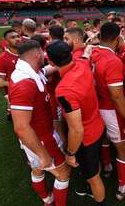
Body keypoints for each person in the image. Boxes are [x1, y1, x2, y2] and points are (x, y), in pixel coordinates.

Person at [9, 40, 71, 206]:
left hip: (37, 136)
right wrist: (43, 154)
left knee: (37, 168)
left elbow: (45, 69)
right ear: (37, 55)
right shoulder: (25, 84)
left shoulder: (30, 72)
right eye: (42, 54)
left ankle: (47, 200)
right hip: (42, 139)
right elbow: (21, 127)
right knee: (63, 173)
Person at [47, 41, 106, 206]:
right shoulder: (81, 62)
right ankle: (92, 186)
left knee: (93, 177)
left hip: (86, 138)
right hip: (98, 127)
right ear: (71, 55)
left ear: (51, 62)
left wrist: (70, 154)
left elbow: (76, 130)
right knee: (94, 167)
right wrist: (90, 43)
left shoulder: (64, 90)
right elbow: (87, 52)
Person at [91, 22, 125, 200]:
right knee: (123, 150)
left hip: (96, 107)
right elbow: (117, 96)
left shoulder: (92, 52)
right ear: (117, 38)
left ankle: (107, 167)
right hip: (111, 110)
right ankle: (122, 188)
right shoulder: (113, 61)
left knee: (104, 139)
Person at [0, 29, 21, 121]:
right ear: (6, 41)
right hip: (16, 96)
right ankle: (10, 112)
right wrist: (8, 98)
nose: (17, 39)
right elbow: (0, 82)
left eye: (18, 36)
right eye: (13, 37)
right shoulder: (1, 59)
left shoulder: (27, 53)